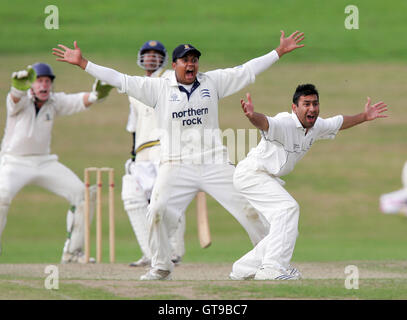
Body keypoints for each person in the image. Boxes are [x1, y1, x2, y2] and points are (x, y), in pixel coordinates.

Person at [52, 30, 304, 280]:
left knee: (250, 210)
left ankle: (270, 263)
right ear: (174, 65)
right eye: (185, 60)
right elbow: (121, 80)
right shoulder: (158, 88)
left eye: (194, 59)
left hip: (214, 161)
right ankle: (161, 266)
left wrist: (278, 51)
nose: (191, 64)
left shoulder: (212, 82)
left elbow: (246, 70)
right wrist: (84, 64)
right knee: (158, 209)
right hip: (176, 164)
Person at [229, 84, 388, 280]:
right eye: (306, 104)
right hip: (251, 174)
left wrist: (363, 117)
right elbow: (265, 123)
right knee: (288, 209)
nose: (312, 108)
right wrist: (252, 116)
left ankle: (243, 268)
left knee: (288, 230)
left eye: (315, 103)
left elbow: (338, 122)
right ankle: (272, 268)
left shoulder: (316, 126)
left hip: (267, 177)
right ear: (295, 108)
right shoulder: (285, 122)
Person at [0, 62, 113, 263]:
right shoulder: (21, 101)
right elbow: (13, 101)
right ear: (31, 84)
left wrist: (95, 96)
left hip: (44, 161)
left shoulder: (54, 101)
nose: (44, 86)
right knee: (2, 197)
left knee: (82, 194)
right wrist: (17, 88)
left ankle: (72, 252)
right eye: (39, 81)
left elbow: (76, 100)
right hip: (13, 162)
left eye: (47, 81)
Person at [122, 40, 186, 267]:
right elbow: (134, 125)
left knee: (167, 198)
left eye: (156, 54)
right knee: (132, 197)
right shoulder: (135, 87)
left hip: (164, 146)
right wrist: (131, 157)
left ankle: (174, 251)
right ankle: (152, 253)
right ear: (140, 57)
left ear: (164, 58)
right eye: (147, 54)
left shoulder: (169, 78)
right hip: (141, 152)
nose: (151, 58)